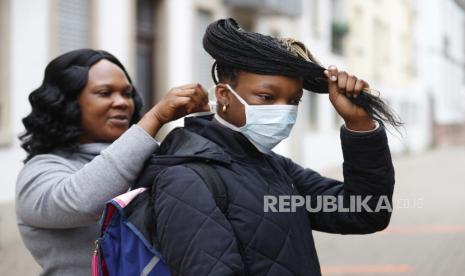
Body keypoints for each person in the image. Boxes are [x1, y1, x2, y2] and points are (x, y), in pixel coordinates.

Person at [135, 18, 396, 276]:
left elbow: (365, 211)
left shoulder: (270, 165)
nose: (282, 110)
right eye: (267, 97)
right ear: (224, 96)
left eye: (293, 100)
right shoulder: (186, 178)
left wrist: (359, 124)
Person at [15, 48, 209, 275]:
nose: (122, 103)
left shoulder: (142, 156)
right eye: (105, 93)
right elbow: (83, 201)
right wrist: (154, 119)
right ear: (67, 102)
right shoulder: (40, 171)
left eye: (127, 94)